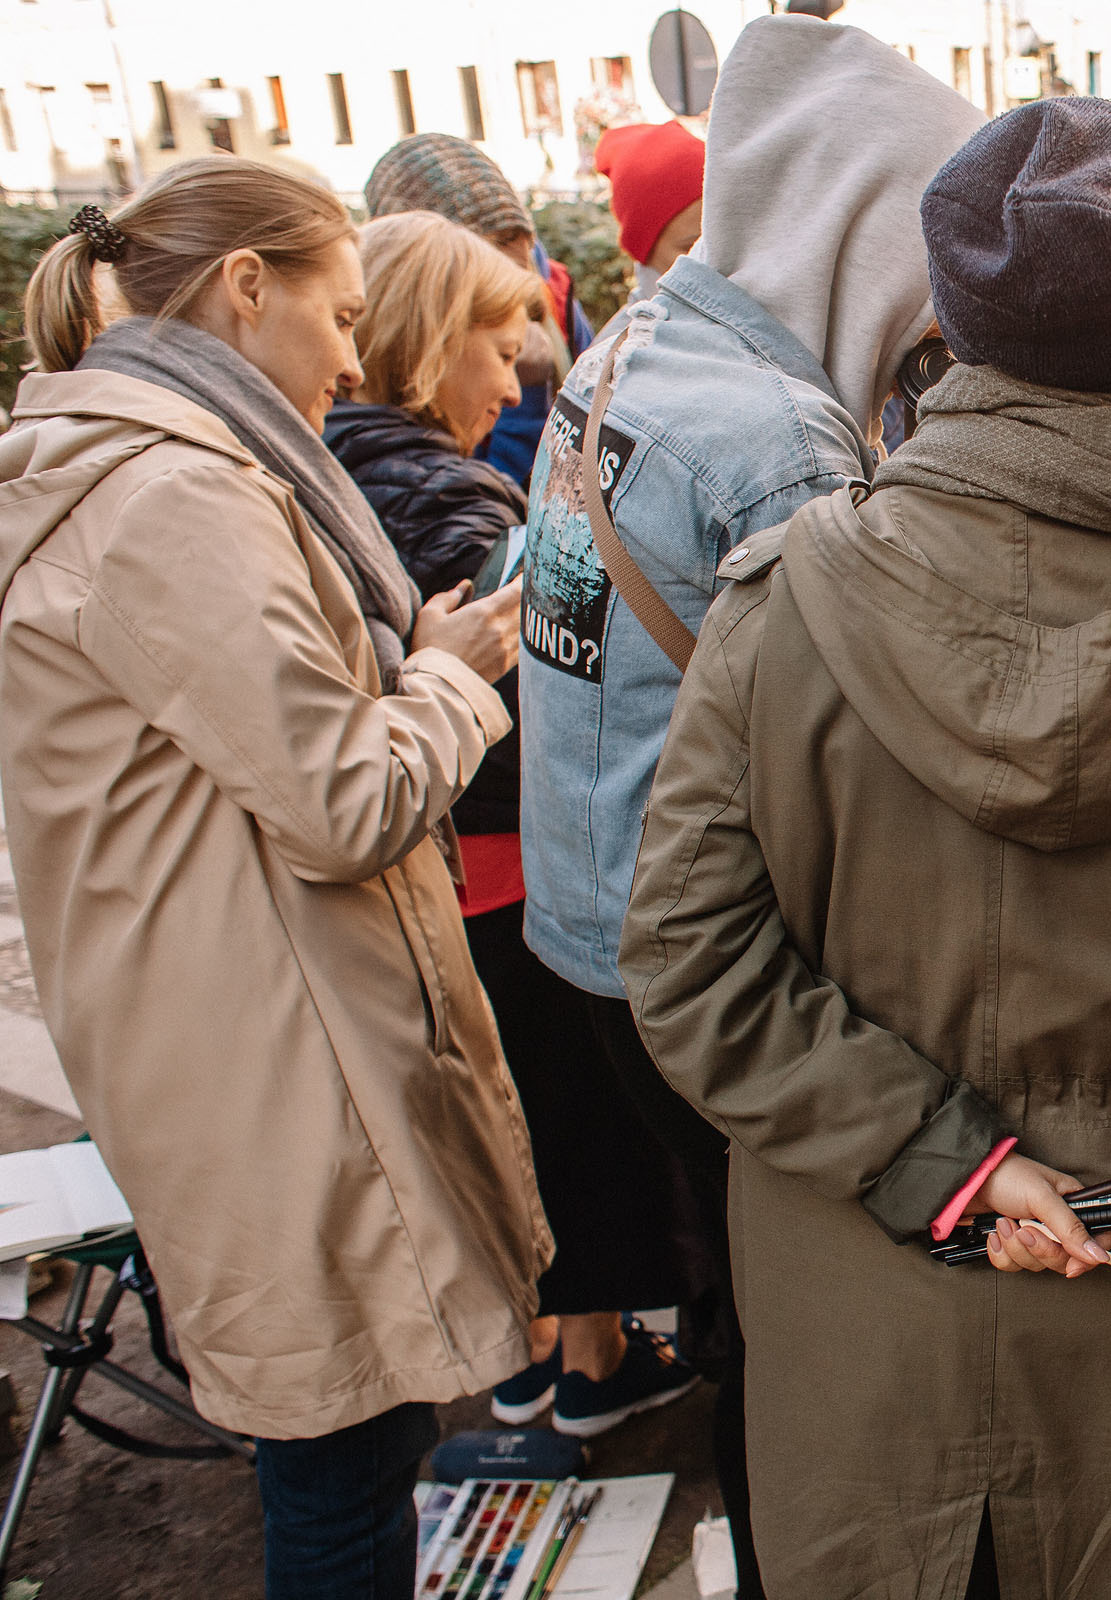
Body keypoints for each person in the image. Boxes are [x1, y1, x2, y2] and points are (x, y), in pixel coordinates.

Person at [620, 91, 1111, 1599]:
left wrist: (943, 1158)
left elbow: (687, 961)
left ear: (950, 307)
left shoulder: (781, 606)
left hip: (866, 1285)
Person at [0, 157, 542, 1598]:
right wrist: (445, 674)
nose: (357, 356)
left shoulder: (146, 464)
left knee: (345, 1447)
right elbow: (343, 799)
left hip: (231, 1029)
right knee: (340, 1466)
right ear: (250, 290)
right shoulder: (172, 493)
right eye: (343, 311)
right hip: (267, 1052)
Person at [514, 18, 982, 1595]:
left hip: (586, 928)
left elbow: (569, 628)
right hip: (704, 967)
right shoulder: (783, 438)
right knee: (797, 1331)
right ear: (858, 220)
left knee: (727, 1303)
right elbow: (850, 776)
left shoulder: (625, 346)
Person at [322, 211, 706, 1439]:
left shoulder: (325, 466)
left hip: (432, 866)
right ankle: (589, 1363)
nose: (512, 383)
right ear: (433, 346)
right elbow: (565, 676)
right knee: (574, 1134)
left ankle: (538, 1360)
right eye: (499, 351)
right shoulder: (456, 495)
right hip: (501, 864)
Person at [364, 132, 594, 485]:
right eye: (490, 286)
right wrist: (528, 396)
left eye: (523, 266)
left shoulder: (554, 295)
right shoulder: (388, 366)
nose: (518, 299)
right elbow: (475, 502)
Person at [593, 121, 706, 302]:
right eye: (691, 248)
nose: (715, 261)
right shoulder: (634, 329)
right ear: (646, 251)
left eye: (723, 239)